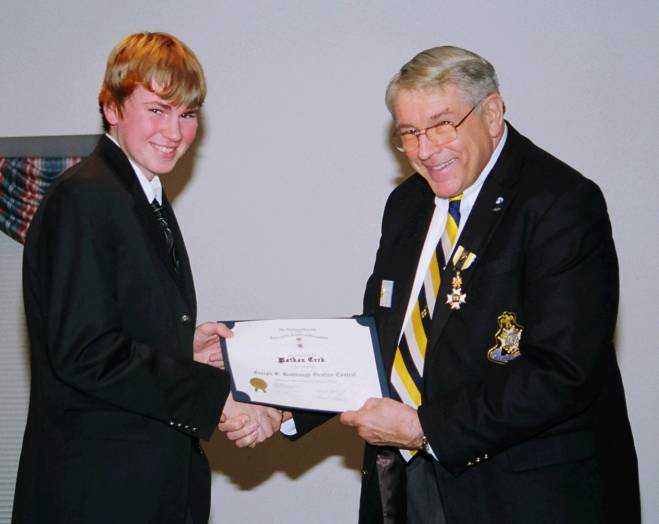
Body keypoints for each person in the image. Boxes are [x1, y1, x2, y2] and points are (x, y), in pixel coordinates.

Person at [286, 46, 641, 523]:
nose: (425, 150)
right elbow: (385, 337)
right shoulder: (407, 203)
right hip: (408, 485)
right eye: (409, 133)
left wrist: (423, 429)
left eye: (441, 124)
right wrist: (284, 403)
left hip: (521, 494)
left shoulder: (560, 203)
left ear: (492, 114)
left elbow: (564, 370)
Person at [12, 32, 279, 524]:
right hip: (96, 493)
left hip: (141, 486)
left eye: (188, 115)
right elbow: (84, 352)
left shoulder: (143, 197)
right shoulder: (85, 197)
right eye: (157, 110)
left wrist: (182, 346)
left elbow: (115, 326)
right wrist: (216, 398)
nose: (174, 132)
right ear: (111, 108)